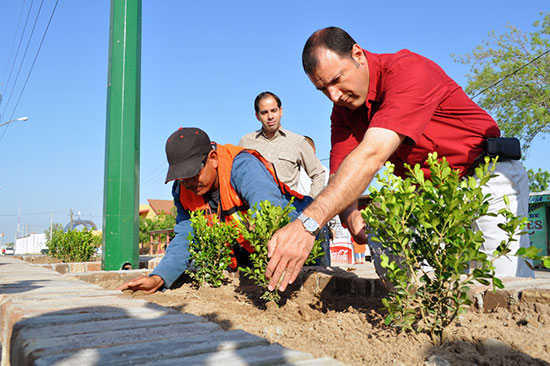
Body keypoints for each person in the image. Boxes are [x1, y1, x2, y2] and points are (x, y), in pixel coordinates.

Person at [265, 26, 533, 292]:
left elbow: (371, 155)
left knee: (502, 287)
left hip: (487, 178)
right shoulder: (343, 111)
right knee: (416, 265)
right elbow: (339, 175)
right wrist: (351, 215)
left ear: (358, 54)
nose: (334, 96)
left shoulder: (408, 71)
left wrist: (307, 225)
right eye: (323, 89)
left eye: (336, 80)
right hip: (432, 196)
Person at [118, 127, 329, 294]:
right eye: (182, 177)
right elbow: (185, 237)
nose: (189, 182)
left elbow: (266, 204)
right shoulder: (183, 190)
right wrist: (158, 277)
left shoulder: (242, 165)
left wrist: (257, 226)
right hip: (251, 251)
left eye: (193, 173)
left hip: (303, 235)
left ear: (213, 158)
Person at [239, 91, 326, 197]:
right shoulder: (246, 142)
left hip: (288, 210)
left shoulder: (297, 142)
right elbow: (238, 177)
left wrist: (310, 203)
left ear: (281, 111)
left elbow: (318, 174)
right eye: (264, 112)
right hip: (254, 210)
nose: (270, 116)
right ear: (257, 116)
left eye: (273, 110)